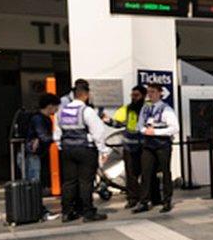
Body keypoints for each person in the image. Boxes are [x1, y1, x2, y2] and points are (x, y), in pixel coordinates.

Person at [55, 82, 110, 223]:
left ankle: (67, 213)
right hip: (85, 150)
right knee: (86, 182)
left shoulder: (61, 111)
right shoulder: (87, 111)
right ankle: (88, 212)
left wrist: (62, 146)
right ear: (85, 95)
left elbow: (57, 134)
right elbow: (98, 133)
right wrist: (103, 150)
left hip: (67, 150)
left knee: (69, 182)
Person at [133, 84, 179, 213]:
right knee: (146, 172)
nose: (150, 94)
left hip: (162, 143)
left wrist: (156, 132)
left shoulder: (166, 109)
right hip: (148, 143)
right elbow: (139, 125)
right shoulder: (145, 108)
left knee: (165, 172)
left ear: (160, 93)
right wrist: (144, 131)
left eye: (153, 92)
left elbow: (175, 128)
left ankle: (167, 201)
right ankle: (144, 201)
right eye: (149, 92)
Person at [108, 85, 147, 208]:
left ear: (143, 96)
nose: (133, 98)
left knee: (146, 173)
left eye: (136, 95)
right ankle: (133, 198)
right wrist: (108, 121)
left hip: (144, 147)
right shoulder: (129, 109)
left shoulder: (147, 109)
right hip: (129, 147)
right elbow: (122, 124)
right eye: (132, 95)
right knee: (131, 174)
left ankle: (146, 197)